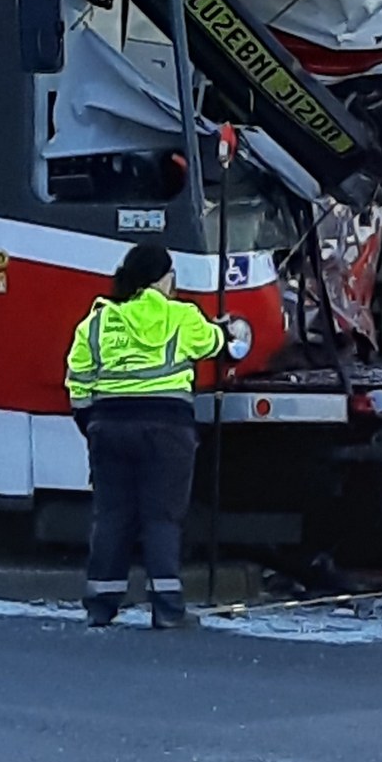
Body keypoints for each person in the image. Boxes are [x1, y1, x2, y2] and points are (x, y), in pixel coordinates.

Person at [66, 241, 233, 630]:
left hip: (108, 427)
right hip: (166, 429)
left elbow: (78, 381)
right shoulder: (181, 316)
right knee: (161, 518)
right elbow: (215, 344)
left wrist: (91, 425)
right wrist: (224, 330)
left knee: (111, 516)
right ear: (163, 278)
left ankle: (101, 606)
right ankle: (167, 609)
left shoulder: (96, 321)